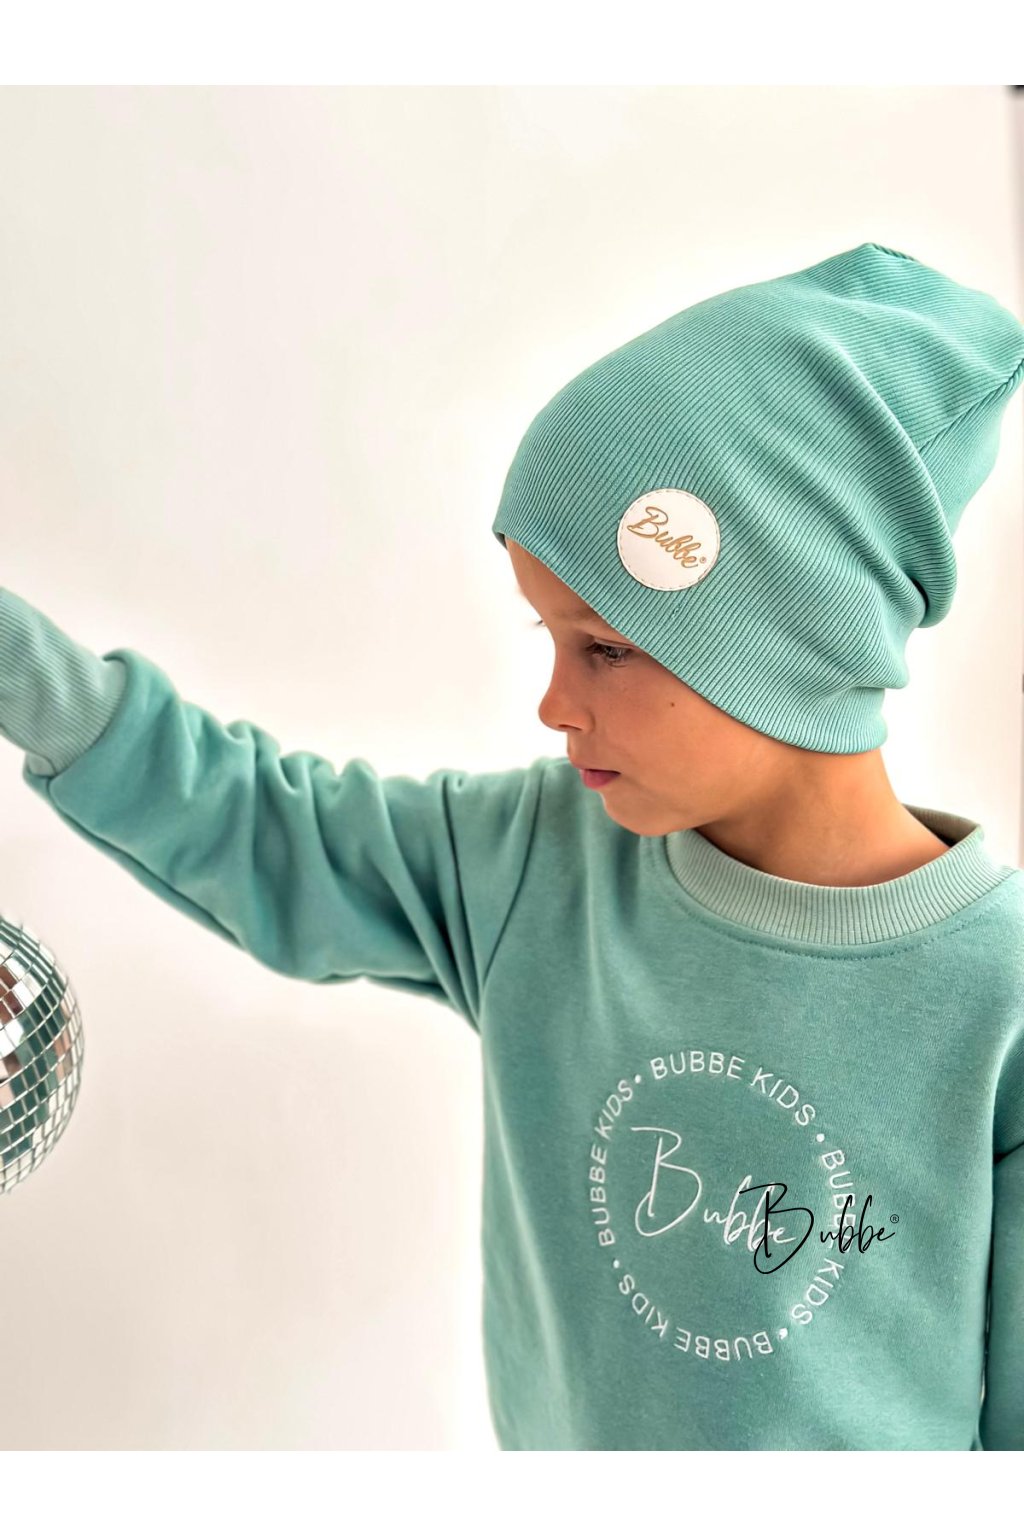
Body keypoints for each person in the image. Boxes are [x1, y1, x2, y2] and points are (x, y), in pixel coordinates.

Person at [1, 240, 1023, 1451]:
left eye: (605, 648)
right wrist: (32, 679)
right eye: (548, 638)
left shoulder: (996, 1000)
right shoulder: (540, 865)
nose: (553, 704)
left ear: (795, 645)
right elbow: (265, 827)